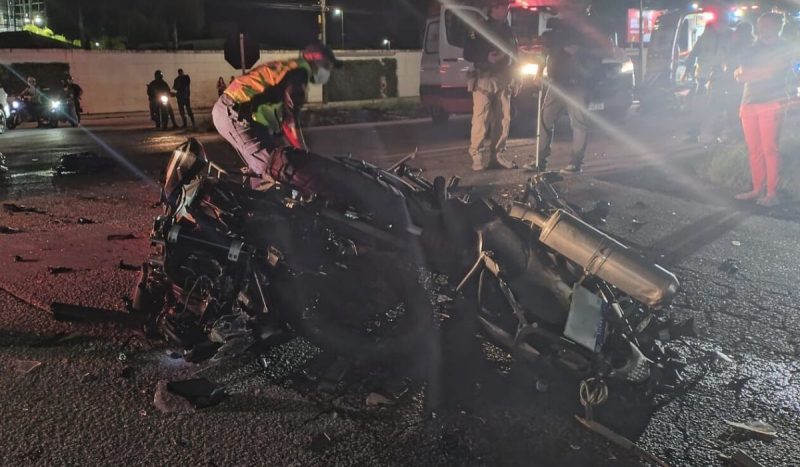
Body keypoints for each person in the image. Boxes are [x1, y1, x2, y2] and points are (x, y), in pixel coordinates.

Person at [212, 43, 343, 189]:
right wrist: (305, 156)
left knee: (264, 168)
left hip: (234, 111)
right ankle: (261, 207)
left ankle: (254, 204)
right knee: (274, 167)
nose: (328, 71)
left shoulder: (290, 68)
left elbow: (270, 114)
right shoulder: (299, 74)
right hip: (235, 111)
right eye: (326, 65)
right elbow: (290, 123)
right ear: (314, 58)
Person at [734, 13, 795, 207]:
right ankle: (757, 188)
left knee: (769, 148)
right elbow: (738, 72)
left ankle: (771, 193)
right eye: (760, 24)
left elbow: (771, 71)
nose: (762, 28)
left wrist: (751, 74)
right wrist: (751, 74)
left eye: (767, 25)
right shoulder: (752, 47)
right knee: (754, 149)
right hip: (748, 102)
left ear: (778, 26)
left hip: (772, 103)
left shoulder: (784, 47)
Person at [524, 14, 597, 173]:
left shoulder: (586, 29)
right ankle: (539, 160)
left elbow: (598, 53)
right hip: (556, 83)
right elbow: (545, 54)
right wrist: (539, 72)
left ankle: (575, 163)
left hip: (577, 84)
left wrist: (580, 52)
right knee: (545, 120)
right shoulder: (557, 30)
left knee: (578, 123)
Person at [463, 0, 517, 172]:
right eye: (505, 6)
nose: (507, 9)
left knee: (503, 120)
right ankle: (476, 157)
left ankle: (497, 156)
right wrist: (487, 57)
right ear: (495, 7)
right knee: (481, 119)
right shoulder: (479, 27)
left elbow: (514, 54)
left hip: (503, 78)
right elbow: (468, 52)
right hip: (485, 78)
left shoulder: (507, 29)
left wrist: (516, 78)